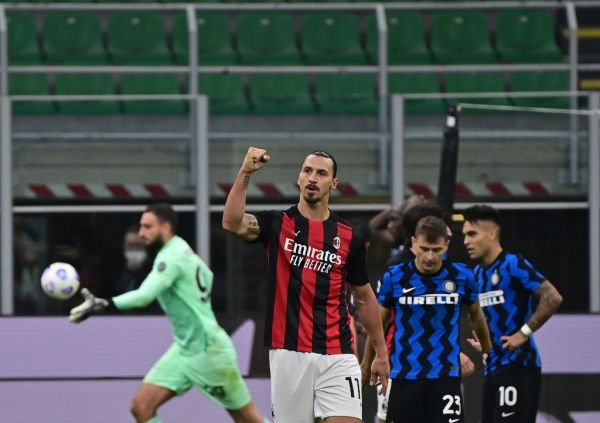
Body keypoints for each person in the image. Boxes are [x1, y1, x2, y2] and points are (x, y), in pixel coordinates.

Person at [222, 147, 389, 423]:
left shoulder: (350, 238)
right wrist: (245, 173)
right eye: (307, 171)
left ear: (333, 184)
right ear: (299, 179)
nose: (313, 178)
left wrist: (380, 354)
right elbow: (231, 222)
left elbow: (363, 297)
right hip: (289, 353)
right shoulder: (276, 224)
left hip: (338, 353)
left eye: (322, 173)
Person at [68, 203, 269, 423]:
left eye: (147, 227)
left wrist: (103, 304)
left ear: (165, 228)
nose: (141, 233)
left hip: (208, 351)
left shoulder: (170, 256)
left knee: (248, 419)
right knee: (141, 407)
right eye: (141, 227)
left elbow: (144, 296)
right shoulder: (182, 249)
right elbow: (207, 276)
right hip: (183, 349)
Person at [362, 215, 491, 423]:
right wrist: (368, 362)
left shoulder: (462, 276)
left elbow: (476, 315)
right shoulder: (394, 277)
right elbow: (378, 324)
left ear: (446, 245)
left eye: (436, 250)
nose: (430, 256)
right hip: (404, 375)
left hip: (445, 376)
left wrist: (487, 349)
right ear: (413, 243)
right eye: (424, 249)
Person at [462, 205, 563, 423]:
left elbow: (552, 297)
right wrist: (486, 344)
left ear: (492, 233)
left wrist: (523, 332)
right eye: (464, 235)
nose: (466, 241)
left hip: (518, 364)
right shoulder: (478, 273)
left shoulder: (512, 264)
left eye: (472, 234)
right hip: (493, 366)